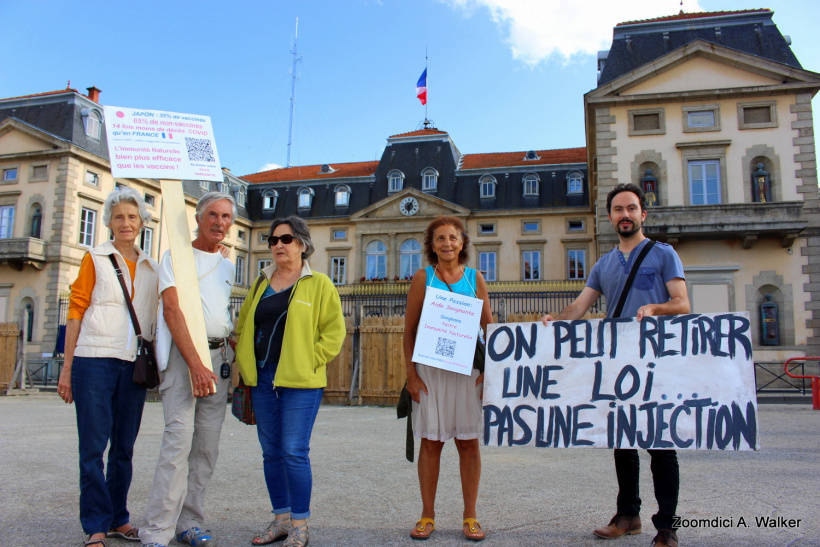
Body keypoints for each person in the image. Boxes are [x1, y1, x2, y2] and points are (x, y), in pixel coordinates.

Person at [541, 183, 690, 547]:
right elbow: (580, 307)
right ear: (610, 217)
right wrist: (555, 321)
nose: (625, 215)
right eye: (619, 210)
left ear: (643, 214)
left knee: (660, 444)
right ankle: (628, 515)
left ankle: (666, 525)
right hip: (618, 363)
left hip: (656, 361)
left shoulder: (663, 253)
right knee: (622, 441)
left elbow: (682, 303)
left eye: (632, 208)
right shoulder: (603, 264)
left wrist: (656, 308)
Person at [232, 215, 345, 547]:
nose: (278, 245)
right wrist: (244, 362)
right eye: (273, 240)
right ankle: (280, 520)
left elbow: (334, 333)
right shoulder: (259, 283)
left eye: (286, 239)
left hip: (301, 381)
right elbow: (243, 326)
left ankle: (300, 523)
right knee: (271, 452)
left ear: (303, 244)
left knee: (294, 451)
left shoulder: (320, 283)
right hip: (262, 377)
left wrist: (309, 360)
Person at [58, 187, 160, 547]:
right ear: (109, 223)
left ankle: (119, 517)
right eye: (119, 217)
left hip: (132, 364)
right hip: (93, 360)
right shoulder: (95, 258)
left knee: (124, 449)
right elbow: (75, 311)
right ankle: (96, 524)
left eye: (133, 217)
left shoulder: (151, 266)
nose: (126, 223)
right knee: (92, 446)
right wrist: (67, 368)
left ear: (143, 223)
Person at [139, 192, 237, 547]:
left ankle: (189, 523)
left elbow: (220, 316)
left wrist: (232, 348)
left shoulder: (228, 265)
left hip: (219, 359)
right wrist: (196, 363)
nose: (220, 223)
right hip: (186, 361)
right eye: (212, 214)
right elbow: (172, 311)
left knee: (206, 449)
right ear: (198, 218)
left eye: (226, 217)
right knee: (177, 443)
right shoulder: (174, 257)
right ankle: (157, 529)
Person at [403, 216, 493, 542]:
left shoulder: (475, 279)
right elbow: (409, 331)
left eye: (453, 237)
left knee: (469, 443)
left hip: (468, 373)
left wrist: (491, 373)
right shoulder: (422, 278)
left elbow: (489, 331)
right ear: (432, 245)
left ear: (462, 242)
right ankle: (427, 515)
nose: (447, 243)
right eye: (440, 238)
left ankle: (471, 517)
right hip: (431, 372)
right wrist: (411, 376)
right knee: (431, 442)